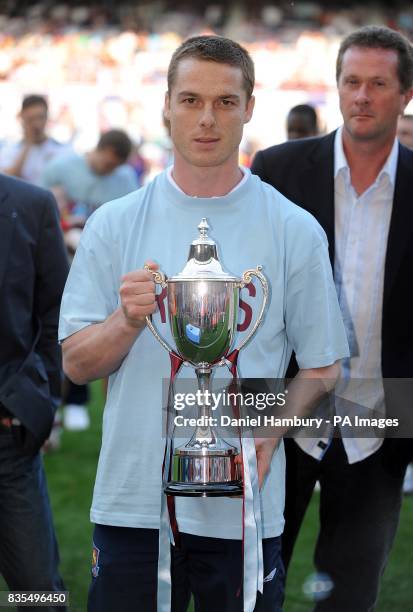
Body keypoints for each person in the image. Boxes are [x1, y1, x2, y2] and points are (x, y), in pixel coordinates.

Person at [59, 36, 348, 612]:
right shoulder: (114, 223)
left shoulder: (293, 228)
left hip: (244, 506)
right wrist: (127, 320)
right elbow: (76, 362)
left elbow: (323, 365)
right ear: (166, 106)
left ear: (249, 108)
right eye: (190, 100)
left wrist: (268, 434)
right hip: (132, 502)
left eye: (225, 101)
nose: (207, 119)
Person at [251, 25, 413, 612]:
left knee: (350, 595)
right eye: (352, 82)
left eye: (378, 83)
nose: (362, 96)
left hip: (381, 420)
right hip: (281, 413)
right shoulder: (278, 171)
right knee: (249, 584)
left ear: (405, 95)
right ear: (337, 87)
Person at [0, 173, 68, 606]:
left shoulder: (30, 204)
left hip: (8, 440)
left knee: (39, 594)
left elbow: (57, 311)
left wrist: (37, 401)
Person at [43, 128, 139, 431]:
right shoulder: (61, 169)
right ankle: (52, 403)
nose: (107, 170)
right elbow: (44, 215)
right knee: (55, 335)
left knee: (96, 334)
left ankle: (76, 402)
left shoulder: (125, 181)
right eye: (105, 163)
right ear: (98, 149)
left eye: (114, 166)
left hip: (101, 269)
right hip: (61, 262)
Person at [0, 94, 72, 186]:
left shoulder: (62, 150)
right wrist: (28, 145)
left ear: (47, 118)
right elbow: (7, 181)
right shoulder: (10, 150)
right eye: (30, 119)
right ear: (22, 119)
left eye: (40, 117)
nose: (36, 124)